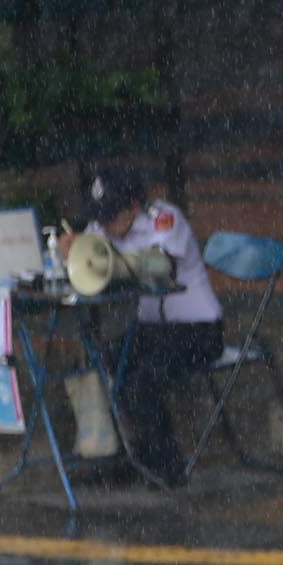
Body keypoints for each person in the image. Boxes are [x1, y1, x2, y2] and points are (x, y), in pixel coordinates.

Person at [85, 166, 218, 485]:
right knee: (109, 364)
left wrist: (114, 261)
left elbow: (162, 264)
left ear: (133, 205)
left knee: (143, 382)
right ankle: (132, 457)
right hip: (150, 329)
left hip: (197, 329)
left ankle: (167, 466)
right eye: (100, 216)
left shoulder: (164, 219)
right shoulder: (102, 228)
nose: (104, 224)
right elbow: (87, 251)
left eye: (112, 215)